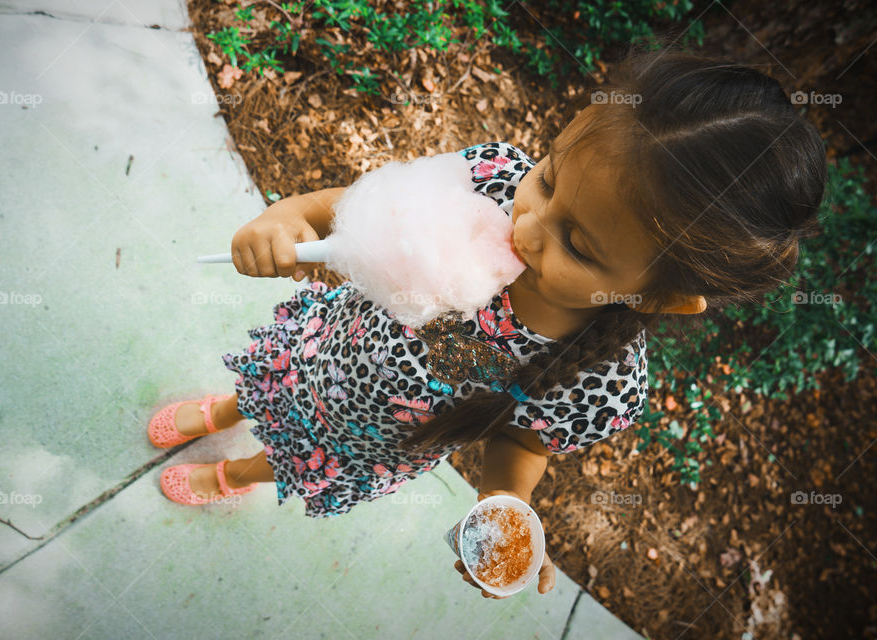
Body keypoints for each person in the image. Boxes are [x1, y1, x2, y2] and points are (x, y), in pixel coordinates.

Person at [148, 46, 826, 599]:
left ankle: (236, 478)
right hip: (322, 349)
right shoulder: (491, 180)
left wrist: (504, 505)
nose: (527, 226)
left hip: (373, 441)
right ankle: (226, 408)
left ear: (654, 297)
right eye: (551, 179)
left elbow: (525, 444)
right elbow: (356, 214)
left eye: (579, 246)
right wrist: (288, 219)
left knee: (290, 457)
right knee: (269, 388)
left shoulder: (602, 384)